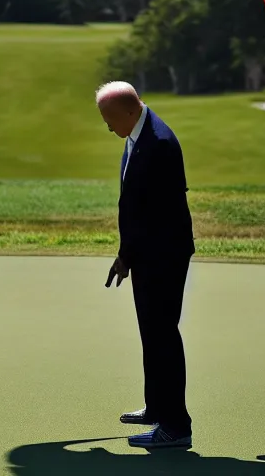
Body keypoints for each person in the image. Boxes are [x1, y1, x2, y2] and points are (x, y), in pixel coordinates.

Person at [95, 81, 195, 449]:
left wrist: (131, 255)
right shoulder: (137, 135)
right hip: (147, 255)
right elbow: (134, 207)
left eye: (109, 119)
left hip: (164, 255)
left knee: (163, 335)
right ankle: (158, 406)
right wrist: (127, 257)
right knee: (151, 334)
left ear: (129, 110)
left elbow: (158, 216)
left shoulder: (160, 143)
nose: (107, 127)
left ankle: (176, 427)